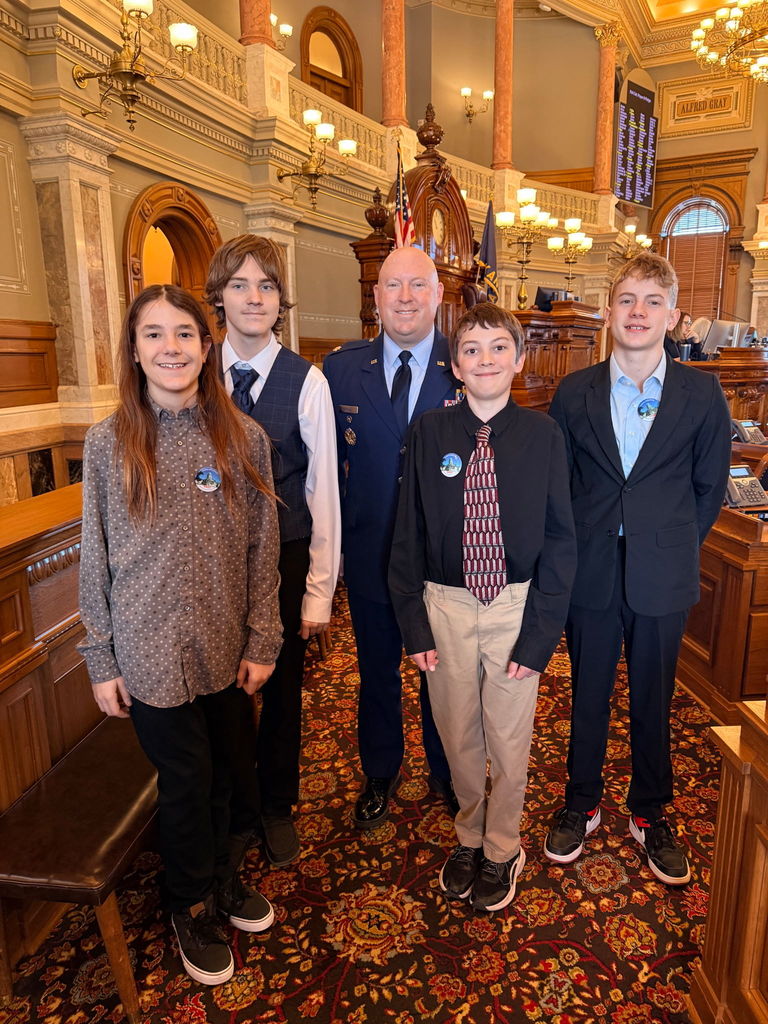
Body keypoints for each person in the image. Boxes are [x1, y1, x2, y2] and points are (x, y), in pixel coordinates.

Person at [78, 285, 282, 985]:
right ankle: (187, 902)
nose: (171, 348)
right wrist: (99, 657)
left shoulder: (243, 435)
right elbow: (94, 554)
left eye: (185, 334)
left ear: (206, 345)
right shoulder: (108, 443)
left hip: (226, 642)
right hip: (149, 646)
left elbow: (263, 548)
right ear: (135, 351)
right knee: (186, 780)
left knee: (230, 769)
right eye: (154, 335)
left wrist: (263, 640)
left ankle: (225, 880)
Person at [543, 253, 732, 885]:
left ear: (672, 315)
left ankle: (651, 812)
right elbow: (561, 487)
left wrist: (670, 543)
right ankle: (582, 801)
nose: (638, 312)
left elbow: (708, 489)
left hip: (663, 571)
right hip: (591, 570)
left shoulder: (702, 392)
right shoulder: (575, 391)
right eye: (627, 299)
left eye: (653, 301)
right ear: (610, 311)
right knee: (588, 693)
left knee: (654, 698)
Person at [389, 303, 576, 911]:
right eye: (472, 349)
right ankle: (469, 834)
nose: (486, 359)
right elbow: (408, 536)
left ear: (518, 360)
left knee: (509, 737)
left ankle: (503, 846)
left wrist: (538, 637)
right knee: (458, 734)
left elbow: (560, 540)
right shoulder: (429, 434)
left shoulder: (544, 436)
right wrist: (414, 626)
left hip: (514, 608)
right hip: (445, 606)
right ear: (455, 364)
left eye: (499, 348)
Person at [205, 234, 341, 867]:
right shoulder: (195, 370)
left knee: (283, 686)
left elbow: (324, 492)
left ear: (280, 300)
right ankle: (235, 807)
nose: (253, 298)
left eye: (265, 286)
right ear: (220, 297)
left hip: (283, 557)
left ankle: (276, 805)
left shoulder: (306, 381)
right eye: (240, 285)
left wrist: (318, 589)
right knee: (222, 689)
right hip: (211, 563)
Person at [324, 245, 463, 828]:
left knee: (443, 670)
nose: (404, 297)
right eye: (392, 286)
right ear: (375, 298)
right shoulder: (338, 369)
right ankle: (380, 768)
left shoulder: (467, 360)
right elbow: (326, 472)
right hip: (370, 551)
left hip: (443, 559)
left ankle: (444, 766)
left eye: (417, 285)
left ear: (436, 296)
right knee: (376, 667)